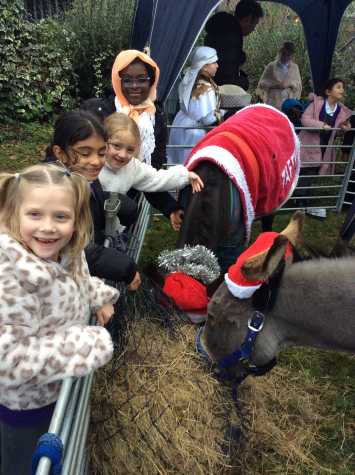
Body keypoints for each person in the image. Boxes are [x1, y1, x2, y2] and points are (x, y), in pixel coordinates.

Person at [0, 163, 118, 474]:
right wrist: (84, 345)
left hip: (59, 389)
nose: (48, 227)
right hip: (25, 407)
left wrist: (98, 296)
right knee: (24, 464)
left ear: (77, 220)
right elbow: (9, 361)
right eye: (35, 214)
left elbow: (72, 284)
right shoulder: (12, 278)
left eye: (61, 217)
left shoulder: (65, 251)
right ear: (14, 214)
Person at [82, 49, 185, 231]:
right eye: (127, 80)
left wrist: (170, 207)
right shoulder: (96, 112)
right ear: (117, 80)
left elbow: (151, 174)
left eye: (142, 79)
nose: (135, 86)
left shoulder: (155, 119)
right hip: (84, 205)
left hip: (124, 212)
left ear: (152, 80)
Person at [44, 110, 141, 290]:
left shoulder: (78, 174)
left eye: (101, 153)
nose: (96, 161)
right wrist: (123, 267)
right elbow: (65, 247)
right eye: (85, 153)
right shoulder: (52, 192)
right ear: (60, 153)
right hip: (60, 285)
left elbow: (90, 199)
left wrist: (116, 201)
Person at [100, 112, 204, 196]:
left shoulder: (132, 167)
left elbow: (155, 178)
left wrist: (186, 175)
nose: (122, 154)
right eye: (116, 146)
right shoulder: (93, 166)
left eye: (130, 150)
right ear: (103, 141)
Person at [299, 78, 352, 218]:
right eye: (338, 87)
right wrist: (320, 125)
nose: (342, 90)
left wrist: (343, 129)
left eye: (343, 87)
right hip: (310, 145)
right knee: (306, 173)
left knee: (317, 175)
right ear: (328, 91)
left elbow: (337, 131)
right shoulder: (316, 105)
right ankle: (300, 205)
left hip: (325, 149)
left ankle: (309, 205)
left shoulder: (341, 111)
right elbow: (305, 119)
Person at [168, 46, 221, 166]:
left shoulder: (190, 79)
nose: (217, 65)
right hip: (194, 132)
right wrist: (222, 115)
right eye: (214, 62)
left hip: (180, 123)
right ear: (204, 65)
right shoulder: (205, 87)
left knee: (178, 163)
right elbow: (207, 118)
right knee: (192, 165)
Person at [204, 0, 264, 88]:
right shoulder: (231, 37)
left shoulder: (220, 28)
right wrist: (243, 82)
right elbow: (225, 78)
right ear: (247, 19)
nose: (253, 29)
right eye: (254, 24)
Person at [256, 41, 302, 110]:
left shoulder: (295, 67)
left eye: (288, 55)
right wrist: (274, 84)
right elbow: (261, 84)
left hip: (289, 103)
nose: (285, 57)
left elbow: (299, 86)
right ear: (280, 52)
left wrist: (290, 84)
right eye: (284, 54)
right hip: (273, 102)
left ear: (292, 55)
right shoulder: (271, 66)